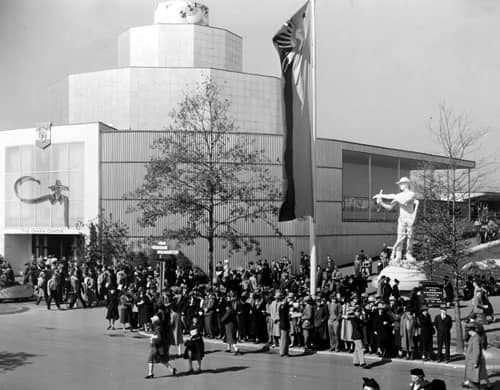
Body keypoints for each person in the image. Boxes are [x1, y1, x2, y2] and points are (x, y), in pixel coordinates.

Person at [373, 177, 419, 261]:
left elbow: (404, 202)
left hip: (410, 219)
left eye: (401, 184)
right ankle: (398, 254)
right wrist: (382, 202)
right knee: (400, 237)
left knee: (410, 237)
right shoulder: (398, 196)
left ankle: (409, 253)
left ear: (407, 184)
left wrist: (392, 196)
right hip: (401, 219)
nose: (400, 185)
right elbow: (390, 207)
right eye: (399, 184)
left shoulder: (412, 194)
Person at [464, 324, 487, 390]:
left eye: (467, 331)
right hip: (470, 362)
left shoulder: (476, 338)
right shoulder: (473, 337)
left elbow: (476, 351)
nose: (467, 333)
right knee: (473, 381)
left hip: (472, 363)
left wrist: (475, 362)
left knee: (474, 382)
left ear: (471, 331)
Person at [278, 292, 291, 357]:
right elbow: (284, 316)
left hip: (284, 324)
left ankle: (285, 352)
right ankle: (283, 352)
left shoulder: (283, 306)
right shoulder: (283, 306)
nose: (287, 299)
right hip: (284, 324)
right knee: (284, 339)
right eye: (286, 298)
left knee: (285, 339)